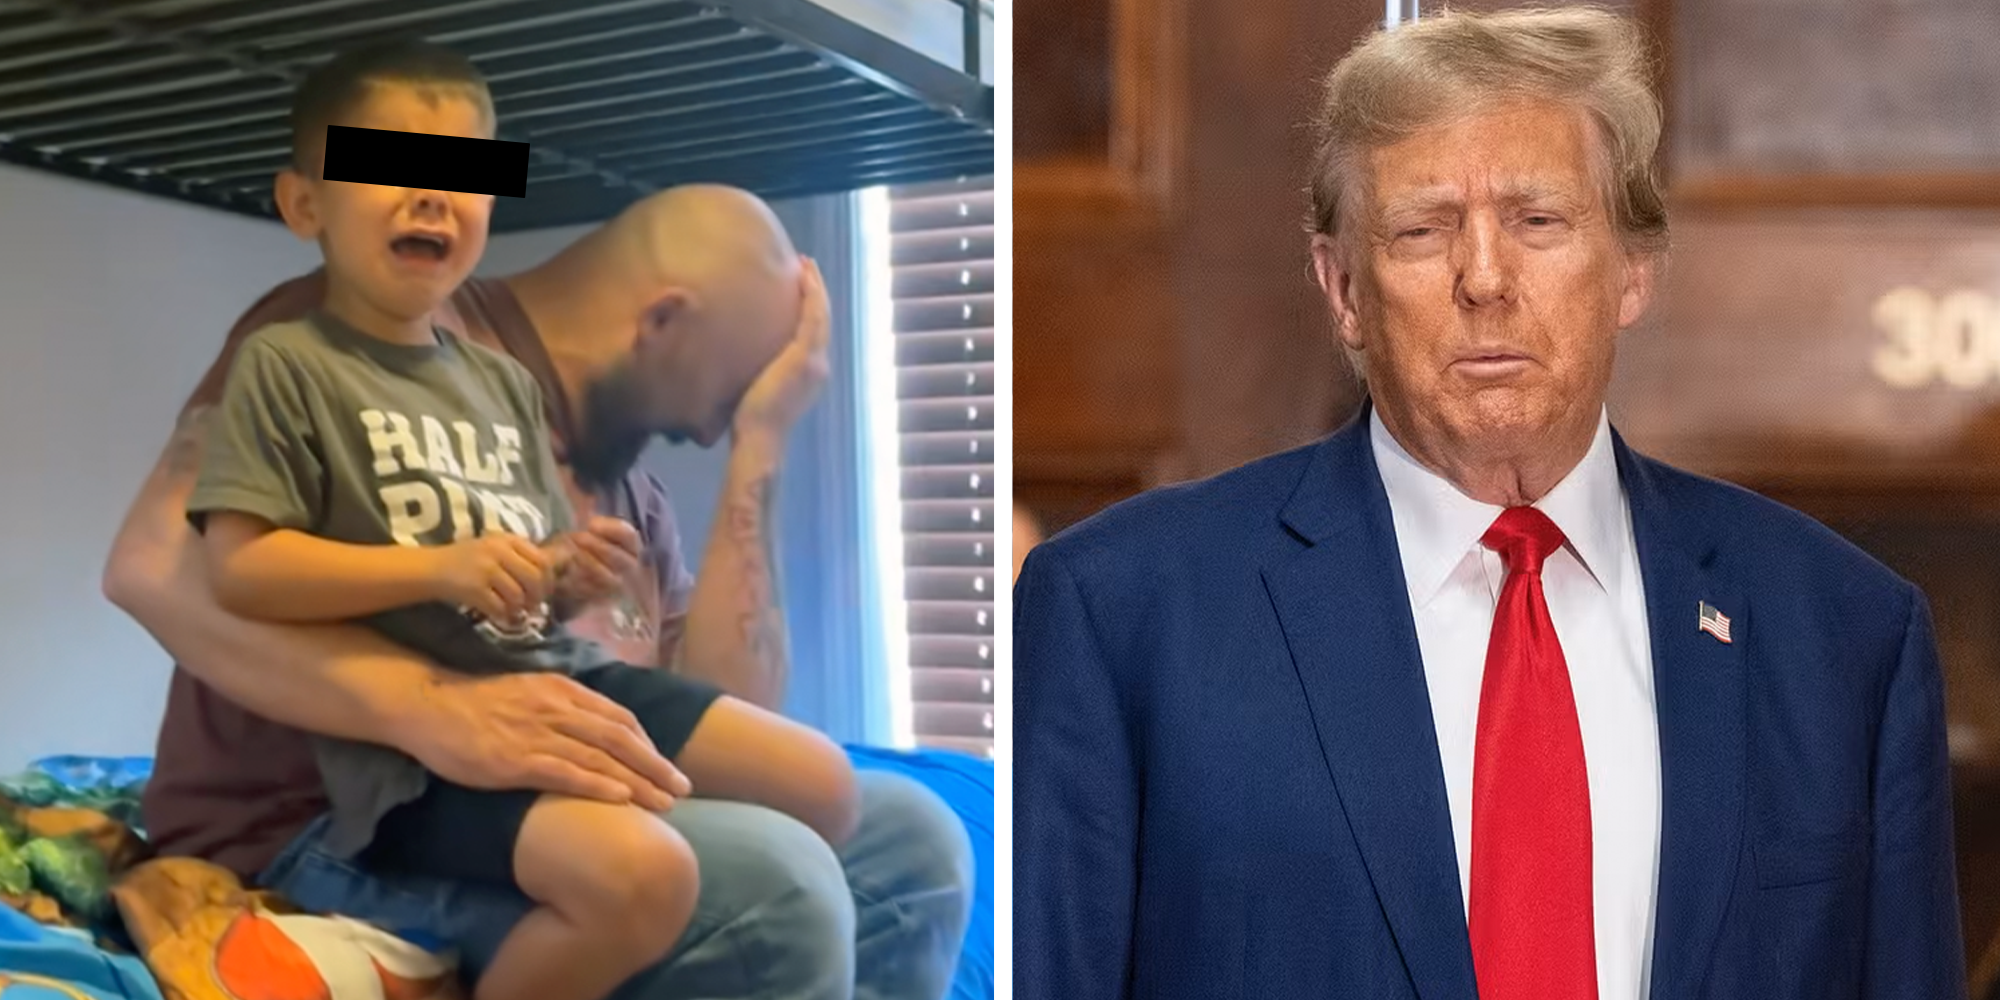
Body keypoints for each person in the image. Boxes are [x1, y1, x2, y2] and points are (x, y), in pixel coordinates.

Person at [1014, 8, 1964, 1000]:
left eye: (1536, 221)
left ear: (1631, 267)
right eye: (1422, 230)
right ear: (1341, 288)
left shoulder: (1843, 633)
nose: (1483, 278)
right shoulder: (1121, 614)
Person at [102, 43, 974, 1000]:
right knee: (778, 883)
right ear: (663, 322)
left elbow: (738, 726)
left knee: (916, 836)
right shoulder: (344, 333)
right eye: (738, 384)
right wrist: (434, 707)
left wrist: (763, 444)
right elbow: (153, 568)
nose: (714, 425)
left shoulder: (617, 481)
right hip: (339, 810)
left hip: (547, 788)